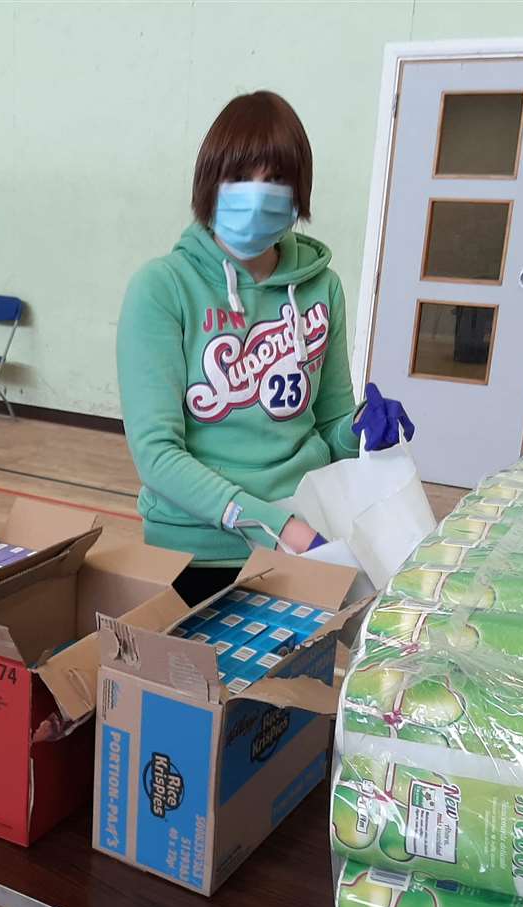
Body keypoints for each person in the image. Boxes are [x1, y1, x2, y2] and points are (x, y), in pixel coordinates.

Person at [117, 91, 414, 604]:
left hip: (310, 539)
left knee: (297, 685)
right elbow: (157, 456)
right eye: (240, 178)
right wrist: (277, 527)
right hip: (197, 553)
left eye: (275, 179)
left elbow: (329, 429)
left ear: (298, 192)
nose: (257, 195)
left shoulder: (324, 288)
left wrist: (364, 431)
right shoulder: (162, 288)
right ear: (210, 185)